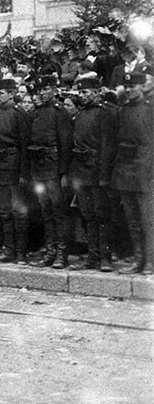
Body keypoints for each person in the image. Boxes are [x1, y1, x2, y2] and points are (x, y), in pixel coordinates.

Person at [105, 70, 153, 274]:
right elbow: (114, 143)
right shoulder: (122, 111)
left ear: (143, 86)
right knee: (132, 220)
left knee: (148, 220)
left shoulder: (151, 111)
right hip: (124, 170)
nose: (130, 90)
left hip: (145, 171)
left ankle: (150, 262)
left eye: (134, 86)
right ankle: (138, 259)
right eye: (128, 87)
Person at [67, 73, 115, 271]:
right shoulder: (80, 114)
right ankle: (92, 256)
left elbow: (108, 147)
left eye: (85, 92)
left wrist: (104, 176)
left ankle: (105, 257)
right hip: (81, 172)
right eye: (79, 92)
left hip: (96, 171)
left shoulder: (104, 114)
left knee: (102, 215)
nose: (81, 95)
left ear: (96, 93)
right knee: (88, 215)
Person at [26, 74, 73, 268]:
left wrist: (63, 173)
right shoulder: (35, 112)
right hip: (39, 168)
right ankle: (50, 250)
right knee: (46, 210)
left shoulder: (59, 112)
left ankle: (62, 254)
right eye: (40, 90)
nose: (43, 93)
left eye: (46, 89)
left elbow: (66, 144)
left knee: (59, 211)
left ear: (54, 89)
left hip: (54, 168)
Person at [0, 77, 31, 264]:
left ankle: (21, 252)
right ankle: (8, 249)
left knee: (19, 211)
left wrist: (23, 174)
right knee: (4, 211)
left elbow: (26, 145)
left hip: (15, 164)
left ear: (11, 94)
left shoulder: (20, 115)